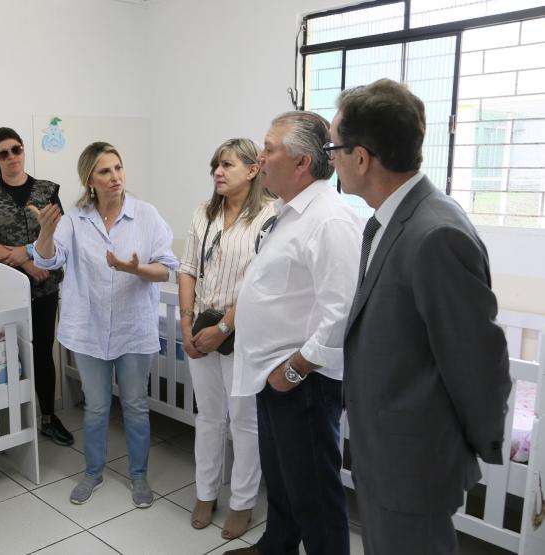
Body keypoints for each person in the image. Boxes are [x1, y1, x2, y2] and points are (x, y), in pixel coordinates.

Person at [331, 79, 511, 555]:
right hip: (385, 452)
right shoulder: (389, 221)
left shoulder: (434, 234)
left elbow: (477, 362)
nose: (332, 158)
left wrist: (472, 445)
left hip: (414, 462)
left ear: (362, 158)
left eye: (336, 147)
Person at [225, 112, 361, 555]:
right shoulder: (287, 212)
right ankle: (276, 547)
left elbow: (339, 312)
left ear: (302, 162)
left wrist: (296, 370)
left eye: (269, 149)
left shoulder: (331, 220)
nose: (260, 159)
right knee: (281, 479)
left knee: (315, 491)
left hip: (304, 381)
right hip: (274, 374)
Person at [30, 141, 178, 508]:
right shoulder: (75, 220)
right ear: (89, 180)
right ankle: (93, 472)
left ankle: (139, 477)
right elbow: (49, 262)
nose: (115, 177)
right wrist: (45, 235)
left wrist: (135, 268)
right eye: (104, 171)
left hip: (133, 327)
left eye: (118, 168)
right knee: (96, 407)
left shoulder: (146, 215)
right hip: (88, 327)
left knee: (135, 405)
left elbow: (167, 268)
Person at [178, 138, 273, 538]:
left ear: (252, 170)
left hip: (244, 333)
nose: (218, 171)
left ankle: (243, 502)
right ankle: (205, 493)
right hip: (201, 327)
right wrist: (187, 323)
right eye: (216, 165)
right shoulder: (204, 213)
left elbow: (260, 284)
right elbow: (186, 268)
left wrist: (223, 328)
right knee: (209, 417)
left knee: (245, 422)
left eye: (228, 165)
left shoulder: (269, 216)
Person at [0, 127, 72, 446]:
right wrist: (24, 260)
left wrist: (32, 252)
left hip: (45, 289)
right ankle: (7, 421)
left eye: (16, 150)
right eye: (4, 153)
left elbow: (64, 234)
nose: (12, 157)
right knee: (3, 355)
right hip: (4, 292)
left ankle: (47, 417)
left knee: (43, 352)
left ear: (23, 150)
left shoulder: (47, 190)